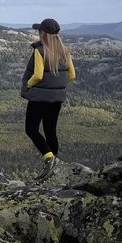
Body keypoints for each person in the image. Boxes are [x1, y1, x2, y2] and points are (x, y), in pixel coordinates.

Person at [20, 18, 76, 180]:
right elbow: (72, 75)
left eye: (39, 31)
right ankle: (55, 164)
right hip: (57, 99)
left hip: (39, 98)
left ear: (43, 33)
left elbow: (37, 75)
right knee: (50, 130)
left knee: (31, 129)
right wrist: (56, 86)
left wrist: (29, 85)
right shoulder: (65, 51)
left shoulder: (39, 51)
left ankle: (48, 156)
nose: (38, 33)